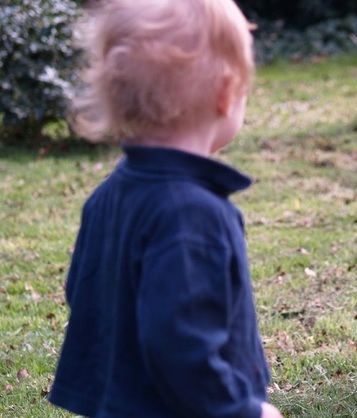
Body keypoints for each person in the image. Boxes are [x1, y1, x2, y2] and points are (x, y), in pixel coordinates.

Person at [48, 0, 283, 417]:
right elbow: (181, 344)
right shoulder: (193, 214)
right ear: (226, 95)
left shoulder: (107, 195)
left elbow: (81, 291)